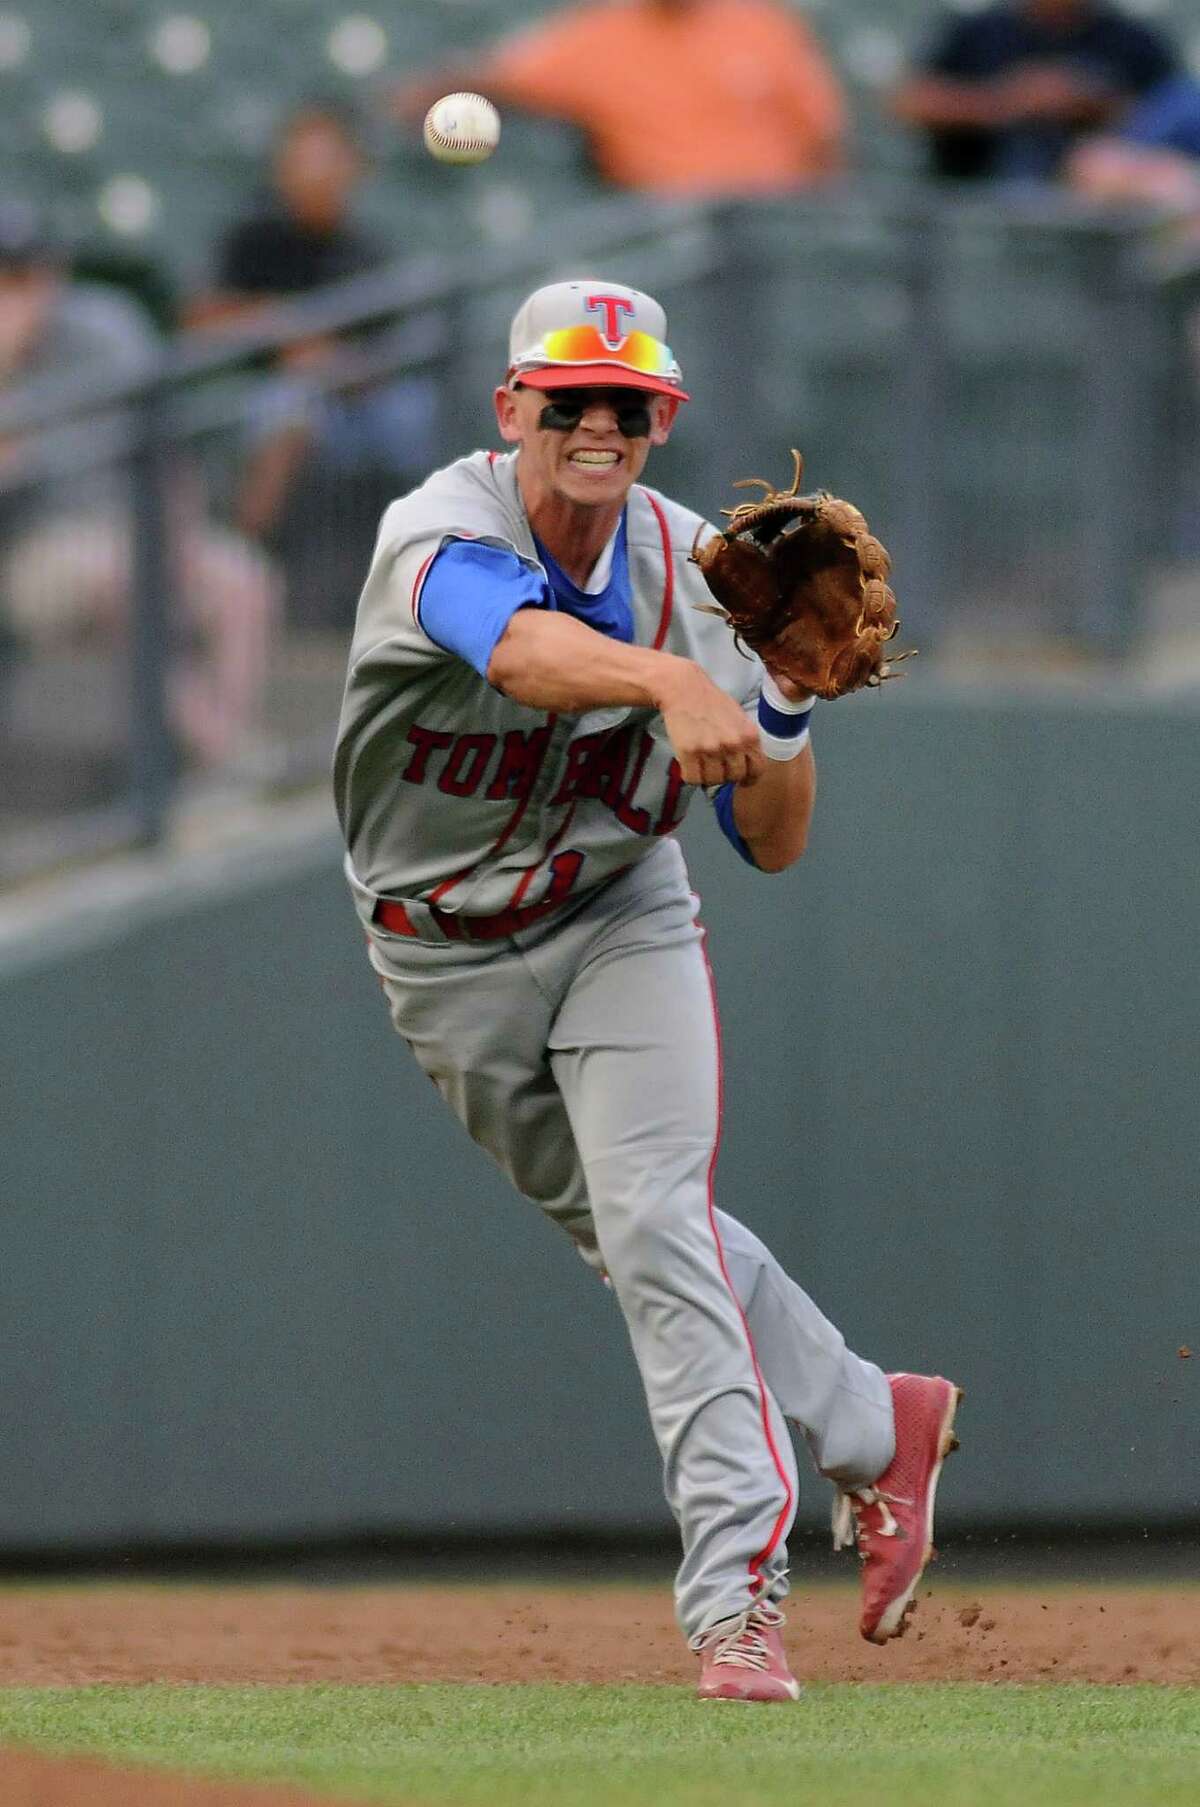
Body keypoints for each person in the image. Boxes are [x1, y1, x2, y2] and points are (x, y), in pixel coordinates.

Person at [333, 277, 963, 1700]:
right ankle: (874, 1415)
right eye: (571, 401)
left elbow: (772, 843)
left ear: (663, 420)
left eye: (631, 405)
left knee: (659, 1220)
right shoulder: (438, 528)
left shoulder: (698, 573)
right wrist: (673, 687)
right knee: (635, 1232)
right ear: (515, 411)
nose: (599, 423)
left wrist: (782, 705)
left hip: (620, 914)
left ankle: (736, 1599)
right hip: (437, 949)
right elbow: (514, 645)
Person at [0, 201, 279, 770]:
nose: (18, 292)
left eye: (26, 274)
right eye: (5, 279)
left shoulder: (101, 327)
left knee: (244, 581)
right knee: (123, 578)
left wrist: (176, 534)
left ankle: (214, 748)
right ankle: (228, 757)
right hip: (29, 555)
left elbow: (166, 448)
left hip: (133, 528)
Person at [189, 100, 436, 631]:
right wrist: (280, 327)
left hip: (354, 403)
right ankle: (241, 562)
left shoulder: (366, 251)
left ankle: (424, 589)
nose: (315, 170)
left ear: (355, 169)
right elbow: (202, 320)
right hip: (249, 400)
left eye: (329, 157)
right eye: (303, 157)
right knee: (288, 406)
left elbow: (389, 355)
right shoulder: (254, 237)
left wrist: (332, 363)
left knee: (416, 415)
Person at [396, 0, 846, 194]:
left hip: (773, 236)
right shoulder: (599, 37)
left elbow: (824, 143)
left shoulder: (764, 26)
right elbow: (496, 76)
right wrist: (423, 94)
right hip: (672, 239)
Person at [892, 0, 1177, 184]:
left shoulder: (1130, 38)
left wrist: (1090, 104)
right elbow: (909, 101)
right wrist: (1005, 101)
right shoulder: (982, 31)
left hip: (1098, 203)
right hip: (983, 193)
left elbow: (1173, 112)